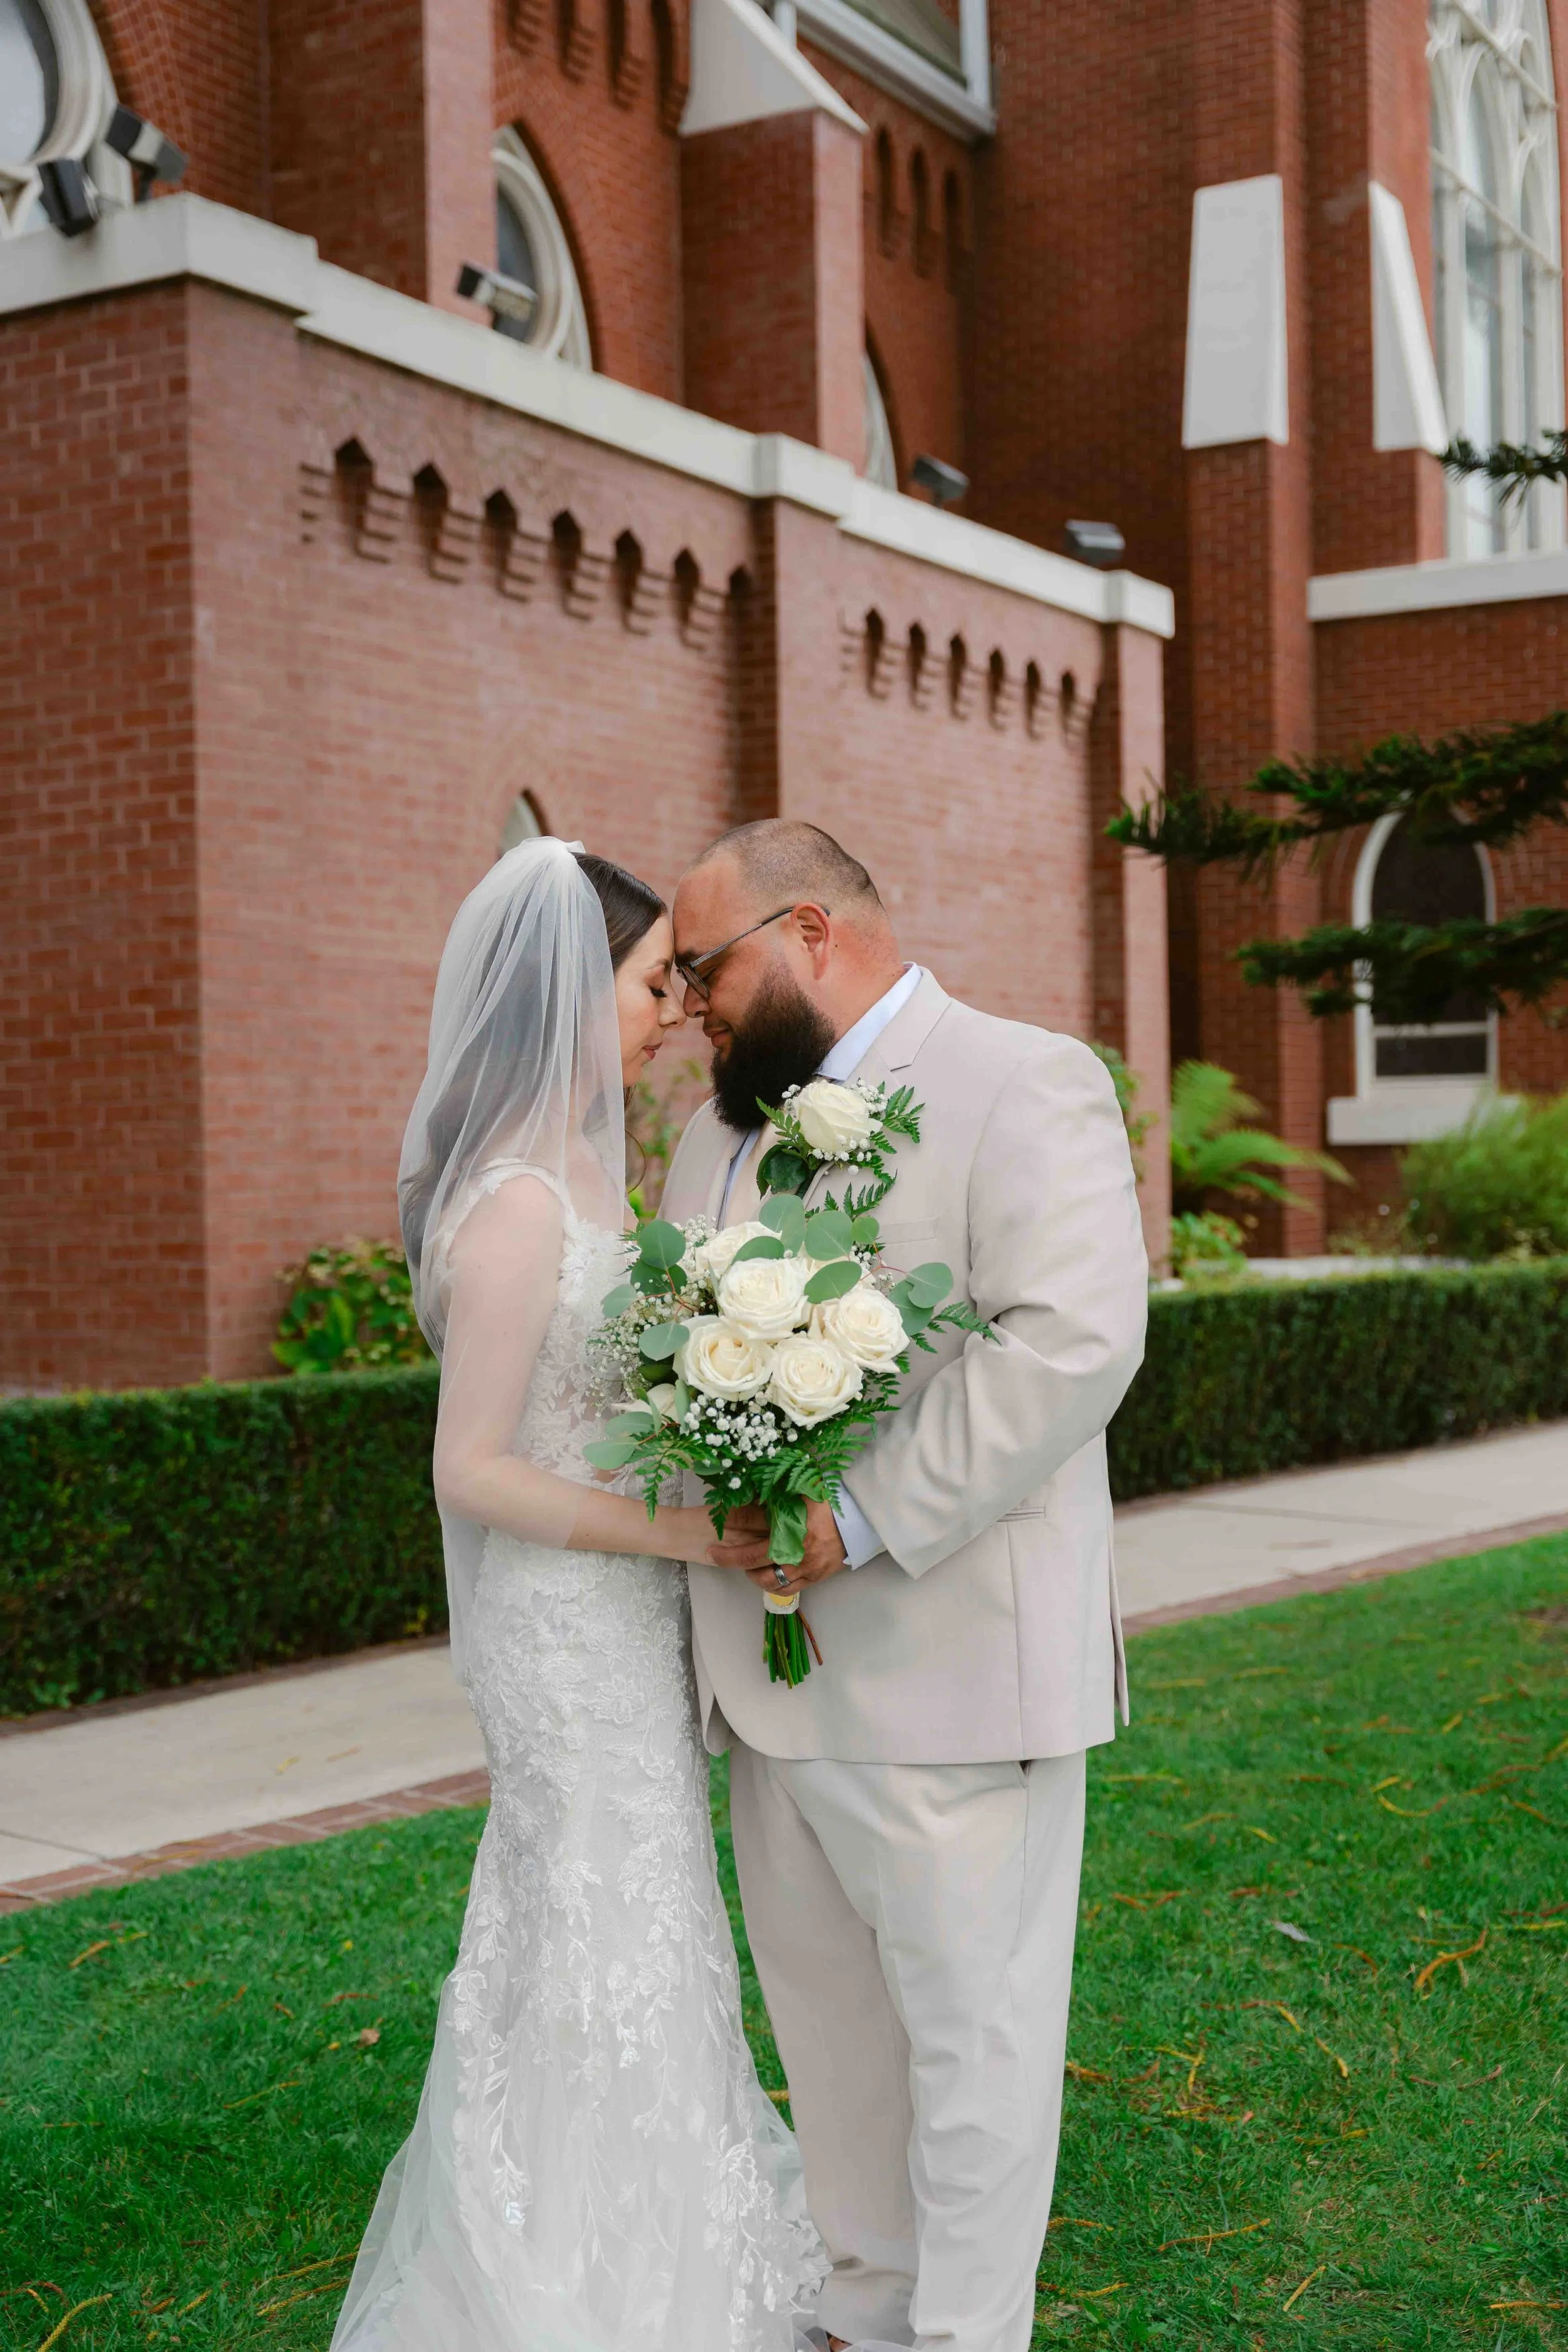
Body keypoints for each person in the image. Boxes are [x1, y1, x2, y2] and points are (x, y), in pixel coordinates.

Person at [332, 836, 825, 2352]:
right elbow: (469, 1470)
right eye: (645, 977)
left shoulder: (592, 1177)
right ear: (561, 991)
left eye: (674, 976)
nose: (672, 1004)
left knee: (653, 1917)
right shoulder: (516, 1210)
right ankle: (578, 2279)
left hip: (623, 1616)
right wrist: (679, 1541)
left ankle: (681, 2226)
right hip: (565, 1631)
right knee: (588, 1925)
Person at [660, 820, 1147, 2352]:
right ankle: (860, 2313)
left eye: (701, 967)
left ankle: (963, 2340)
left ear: (809, 931)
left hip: (953, 1676)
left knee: (974, 2046)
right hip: (766, 1682)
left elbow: (1071, 1339)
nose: (684, 1005)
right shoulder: (707, 1138)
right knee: (829, 2035)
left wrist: (857, 1518)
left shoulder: (1020, 1078)